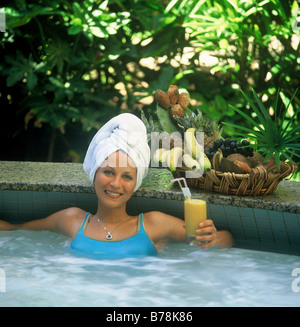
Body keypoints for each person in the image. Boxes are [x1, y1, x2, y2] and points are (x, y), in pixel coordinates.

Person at [0, 113, 233, 259]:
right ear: (94, 174)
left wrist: (212, 238)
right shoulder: (71, 220)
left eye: (127, 177)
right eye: (108, 172)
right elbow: (13, 229)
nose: (115, 184)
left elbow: (227, 239)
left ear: (136, 183)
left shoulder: (152, 224)